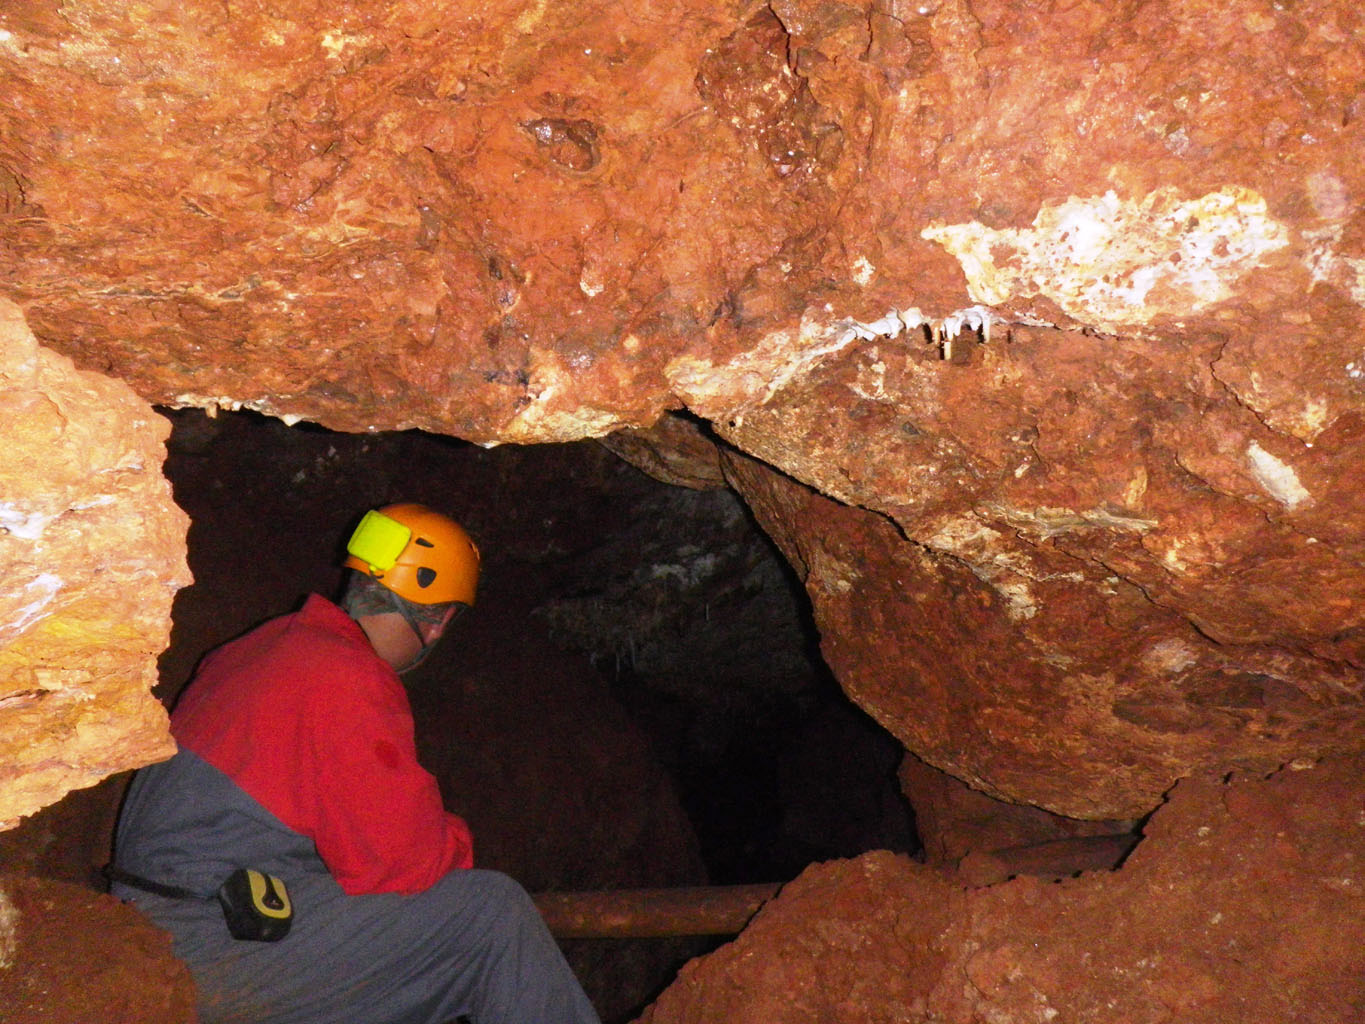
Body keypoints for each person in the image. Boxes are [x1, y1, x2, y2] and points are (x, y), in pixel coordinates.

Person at [110, 503, 601, 1024]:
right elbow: (403, 863)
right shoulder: (348, 677)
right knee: (492, 914)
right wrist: (452, 840)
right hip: (207, 940)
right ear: (438, 621)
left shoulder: (262, 645)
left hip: (155, 918)